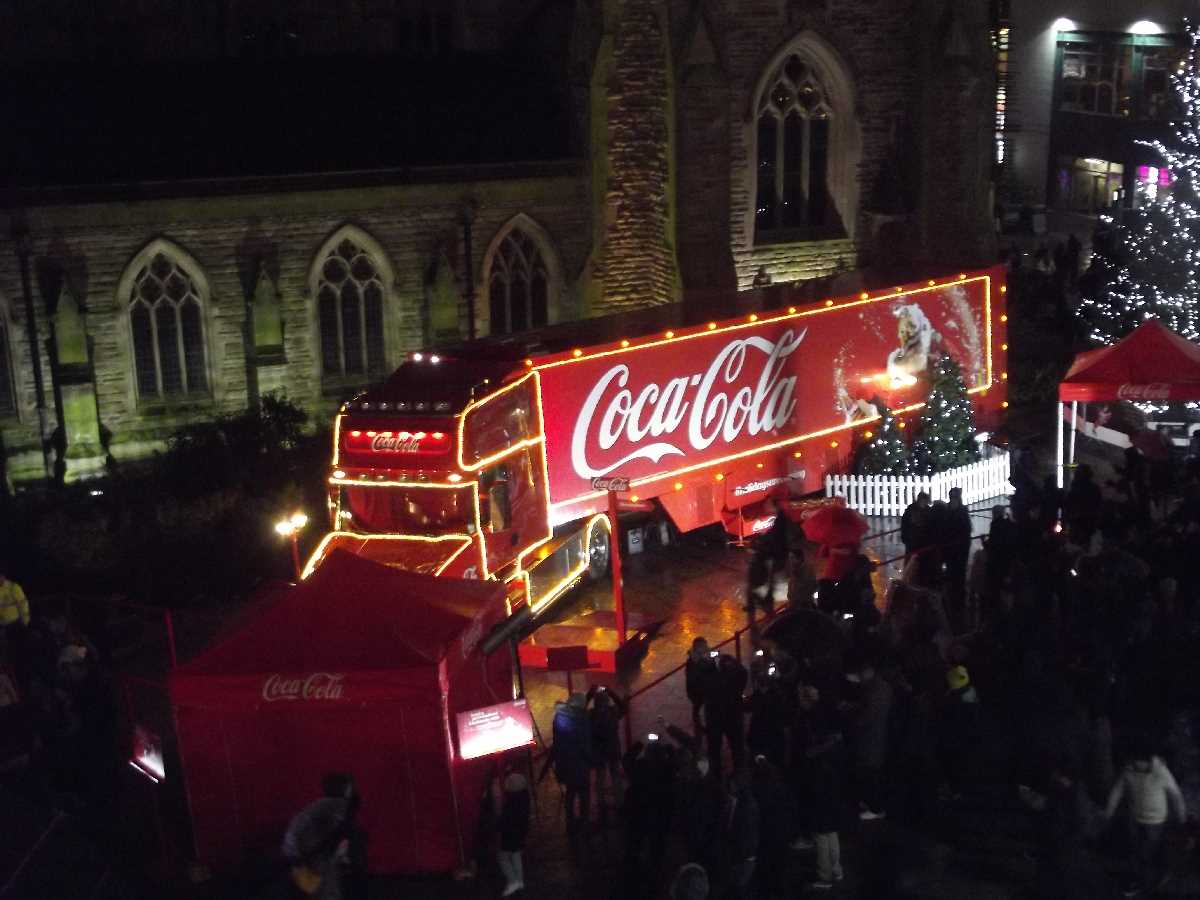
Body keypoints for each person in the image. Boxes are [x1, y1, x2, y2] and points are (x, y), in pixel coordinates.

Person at [1105, 741, 1186, 896]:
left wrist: (1181, 818)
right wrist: (1108, 812)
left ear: (1148, 760)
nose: (1137, 765)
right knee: (1135, 849)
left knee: (1147, 852)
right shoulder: (1128, 770)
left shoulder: (1161, 772)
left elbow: (1176, 795)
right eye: (1135, 761)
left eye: (1140, 762)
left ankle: (1146, 882)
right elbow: (1117, 790)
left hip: (1155, 821)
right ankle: (1139, 879)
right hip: (1135, 818)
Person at [281, 775, 356, 900]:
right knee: (326, 891)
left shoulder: (318, 806)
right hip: (319, 857)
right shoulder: (337, 805)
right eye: (350, 787)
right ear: (345, 789)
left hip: (308, 855)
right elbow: (338, 832)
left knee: (315, 890)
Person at [843, 659, 892, 821]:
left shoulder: (875, 690)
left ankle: (876, 807)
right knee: (870, 771)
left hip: (872, 737)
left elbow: (868, 715)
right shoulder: (879, 687)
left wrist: (852, 716)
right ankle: (872, 802)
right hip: (874, 736)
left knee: (871, 773)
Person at [543, 693, 593, 830]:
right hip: (580, 763)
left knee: (570, 793)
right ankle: (584, 822)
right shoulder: (582, 719)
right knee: (583, 794)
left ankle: (570, 822)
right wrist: (591, 759)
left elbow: (557, 742)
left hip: (564, 762)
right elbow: (584, 743)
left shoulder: (559, 717)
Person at [587, 685, 627, 820]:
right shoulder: (613, 712)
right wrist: (611, 691)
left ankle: (601, 805)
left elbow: (579, 713)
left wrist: (589, 695)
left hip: (599, 751)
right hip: (613, 749)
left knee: (600, 779)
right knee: (616, 778)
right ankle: (620, 803)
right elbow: (623, 707)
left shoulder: (591, 715)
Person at [706, 653, 748, 775]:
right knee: (737, 746)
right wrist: (728, 658)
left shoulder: (714, 680)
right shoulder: (737, 679)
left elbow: (703, 682)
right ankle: (739, 771)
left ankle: (716, 772)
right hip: (733, 717)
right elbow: (742, 671)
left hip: (716, 718)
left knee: (715, 748)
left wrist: (711, 664)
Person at [495, 759, 531, 897]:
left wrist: (497, 827)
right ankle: (520, 880)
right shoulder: (524, 799)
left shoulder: (511, 804)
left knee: (503, 857)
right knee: (516, 856)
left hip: (510, 834)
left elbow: (504, 821)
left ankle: (512, 880)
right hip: (520, 833)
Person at [724, 768, 759, 900]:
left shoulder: (747, 805)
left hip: (743, 855)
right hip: (740, 854)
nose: (728, 787)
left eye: (731, 784)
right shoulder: (736, 802)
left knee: (740, 888)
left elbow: (747, 833)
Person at [685, 638, 717, 734]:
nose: (706, 648)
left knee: (706, 706)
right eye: (703, 646)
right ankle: (698, 724)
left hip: (706, 688)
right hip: (697, 691)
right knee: (697, 706)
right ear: (697, 649)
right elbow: (693, 677)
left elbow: (713, 670)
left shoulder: (706, 656)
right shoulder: (692, 662)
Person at [901, 492, 932, 562]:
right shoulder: (912, 509)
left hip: (921, 540)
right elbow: (905, 523)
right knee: (912, 561)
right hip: (913, 540)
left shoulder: (927, 510)